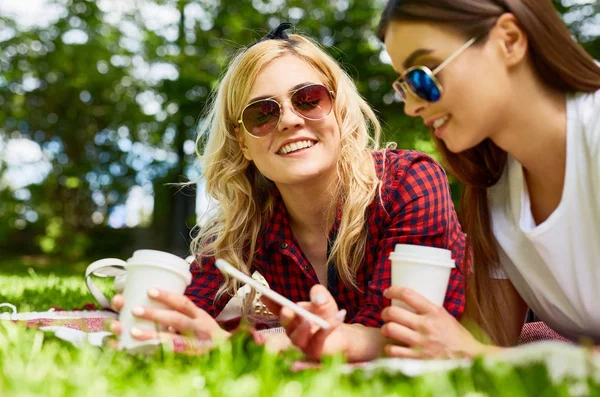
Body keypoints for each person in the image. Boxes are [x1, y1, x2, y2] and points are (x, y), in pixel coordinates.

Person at [110, 23, 469, 361]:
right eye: (261, 114)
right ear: (244, 143)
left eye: (309, 99)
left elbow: (400, 336)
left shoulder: (408, 183)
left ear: (339, 112)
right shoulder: (252, 218)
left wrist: (240, 347)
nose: (288, 120)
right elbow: (190, 309)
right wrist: (153, 310)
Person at [372, 0, 600, 358]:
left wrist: (475, 355)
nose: (412, 107)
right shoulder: (495, 183)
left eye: (423, 77)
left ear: (508, 40)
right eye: (405, 87)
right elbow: (487, 343)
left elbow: (479, 354)